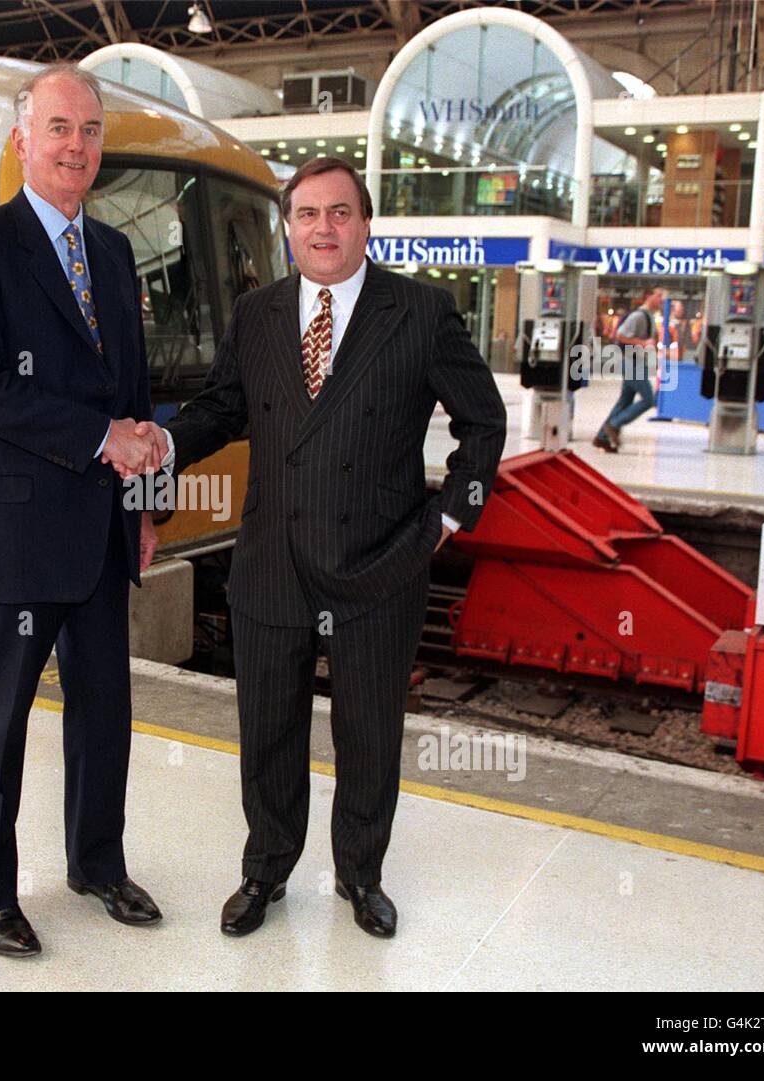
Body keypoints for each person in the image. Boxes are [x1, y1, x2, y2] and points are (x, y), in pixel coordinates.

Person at [139, 157, 507, 939]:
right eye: (307, 214)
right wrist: (164, 445)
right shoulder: (259, 312)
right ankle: (265, 871)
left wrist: (450, 516)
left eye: (340, 213)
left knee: (368, 732)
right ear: (288, 228)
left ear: (366, 224)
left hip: (379, 561)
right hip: (272, 557)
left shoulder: (420, 311)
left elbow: (484, 419)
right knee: (268, 730)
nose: (324, 228)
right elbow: (222, 408)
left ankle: (360, 875)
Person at [0, 64, 169, 958]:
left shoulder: (112, 253)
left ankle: (97, 864)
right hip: (19, 529)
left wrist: (147, 503)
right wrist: (99, 438)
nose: (78, 146)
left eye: (92, 131)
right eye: (60, 128)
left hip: (105, 529)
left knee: (105, 708)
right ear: (22, 139)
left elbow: (137, 395)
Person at [594, 287, 664, 452]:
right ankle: (613, 425)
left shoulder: (648, 316)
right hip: (632, 363)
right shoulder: (639, 316)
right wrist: (643, 344)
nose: (662, 299)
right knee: (648, 400)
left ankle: (602, 437)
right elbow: (620, 335)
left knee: (624, 401)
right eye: (659, 295)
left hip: (636, 362)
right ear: (648, 296)